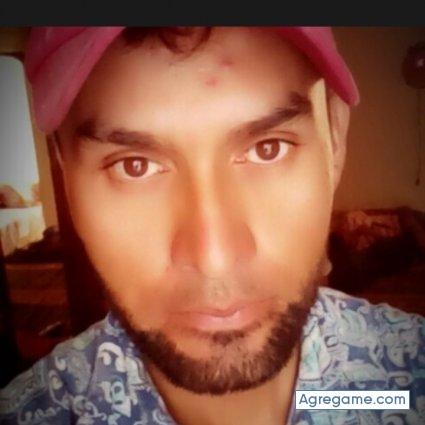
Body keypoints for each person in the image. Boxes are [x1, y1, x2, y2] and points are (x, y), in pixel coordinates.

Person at [0, 26, 424, 425]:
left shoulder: (404, 381)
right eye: (134, 166)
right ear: (64, 172)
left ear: (335, 139)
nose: (214, 258)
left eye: (268, 148)